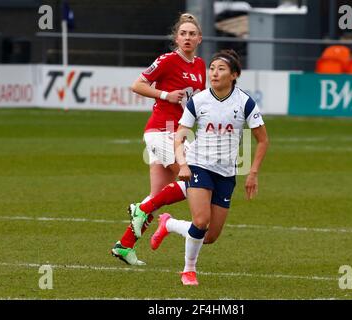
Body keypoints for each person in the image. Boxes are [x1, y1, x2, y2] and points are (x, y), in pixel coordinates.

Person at [150, 49, 269, 285]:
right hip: (198, 166)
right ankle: (188, 270)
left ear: (234, 75)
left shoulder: (245, 102)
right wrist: (182, 164)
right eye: (212, 68)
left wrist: (252, 172)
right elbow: (179, 136)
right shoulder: (198, 100)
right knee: (201, 220)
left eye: (221, 69)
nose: (214, 73)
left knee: (210, 236)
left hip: (226, 173)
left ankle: (169, 223)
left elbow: (263, 139)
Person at [111, 13, 206, 265]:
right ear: (176, 38)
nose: (187, 37)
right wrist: (165, 94)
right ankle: (141, 210)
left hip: (178, 134)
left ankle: (124, 245)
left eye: (192, 34)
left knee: (158, 194)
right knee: (193, 180)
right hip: (161, 132)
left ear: (199, 38)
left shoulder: (200, 66)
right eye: (183, 33)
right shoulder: (167, 60)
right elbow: (137, 85)